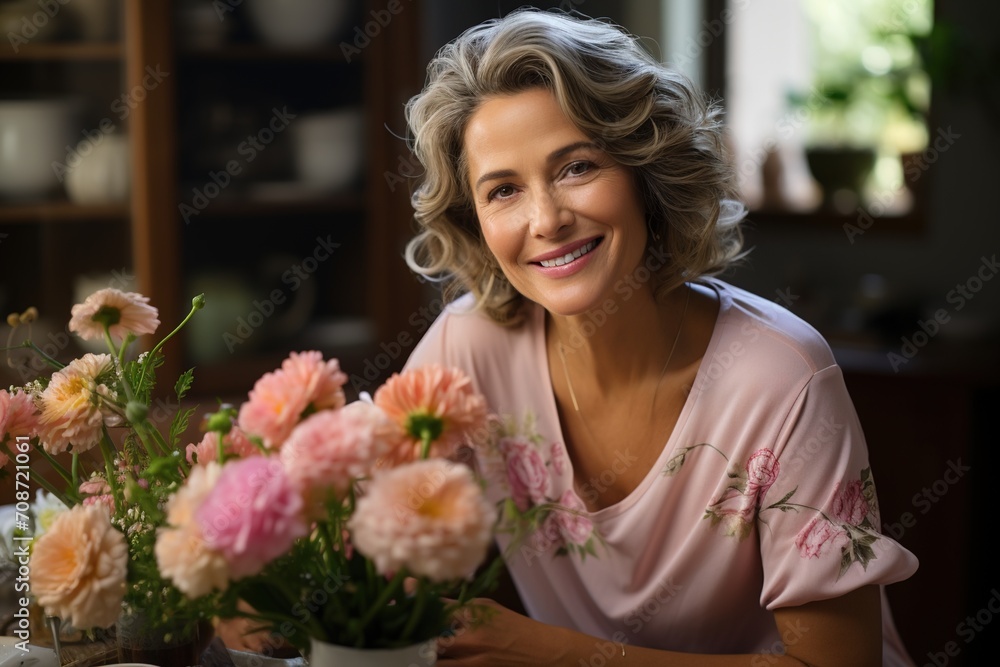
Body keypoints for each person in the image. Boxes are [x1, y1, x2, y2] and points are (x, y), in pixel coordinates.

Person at [400, 8, 919, 667]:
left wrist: (544, 651)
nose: (548, 219)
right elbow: (351, 517)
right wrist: (245, 579)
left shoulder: (782, 376)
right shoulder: (467, 348)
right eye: (503, 189)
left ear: (647, 172)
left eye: (577, 167)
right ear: (475, 222)